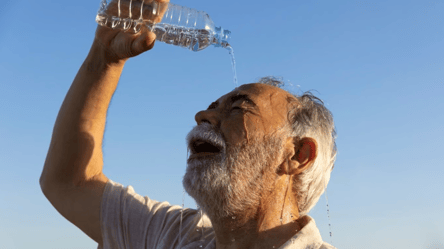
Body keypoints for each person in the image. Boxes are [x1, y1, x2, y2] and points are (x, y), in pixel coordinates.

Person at [40, 0, 337, 248]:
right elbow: (69, 182)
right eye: (211, 107)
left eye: (239, 107)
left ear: (298, 156)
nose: (202, 116)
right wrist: (104, 59)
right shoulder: (176, 235)